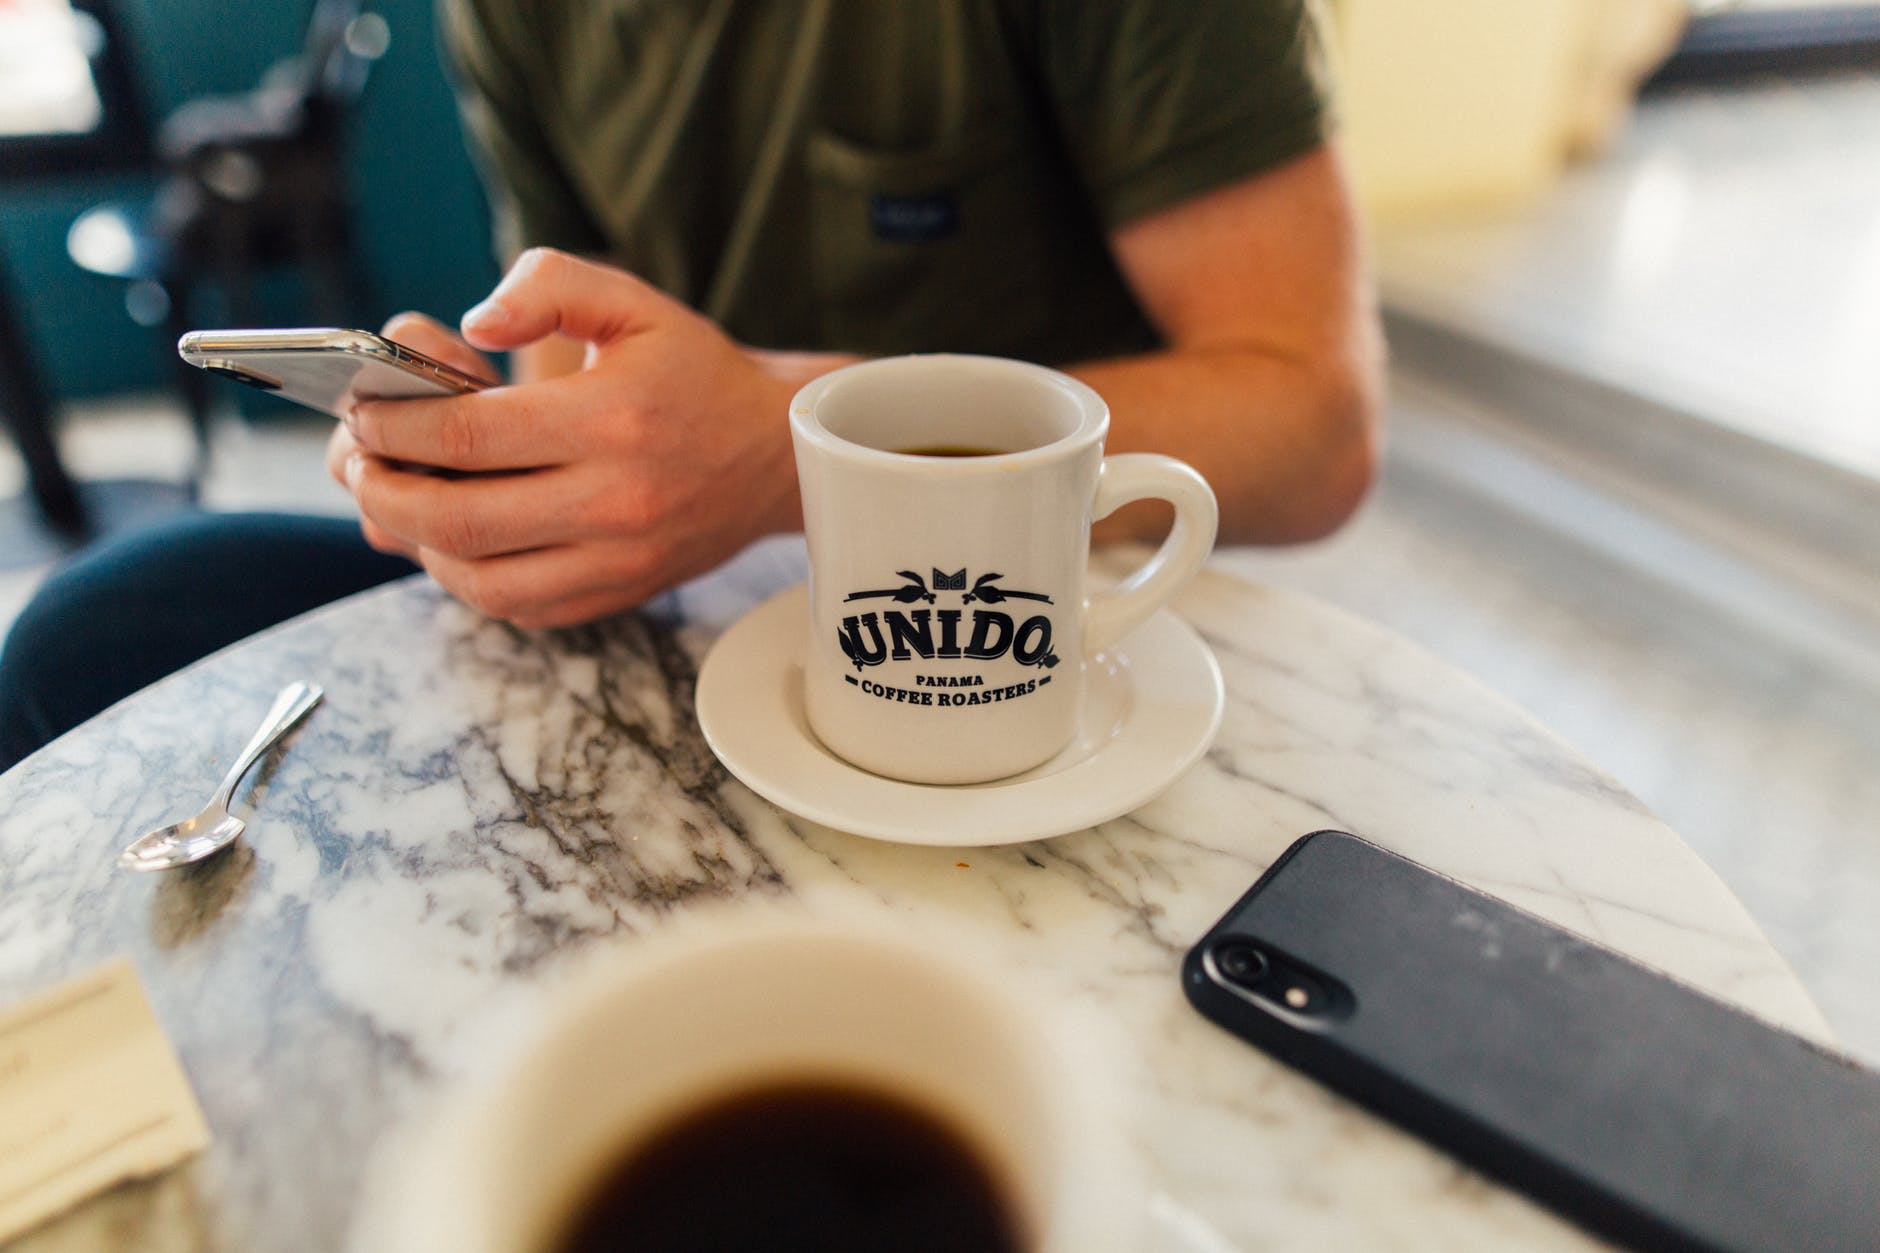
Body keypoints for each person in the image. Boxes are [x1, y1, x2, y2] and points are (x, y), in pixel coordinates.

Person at [0, 0, 1383, 769]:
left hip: (1014, 643)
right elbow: (561, 344)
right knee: (92, 632)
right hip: (692, 625)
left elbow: (1313, 422)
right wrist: (512, 466)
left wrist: (787, 451)